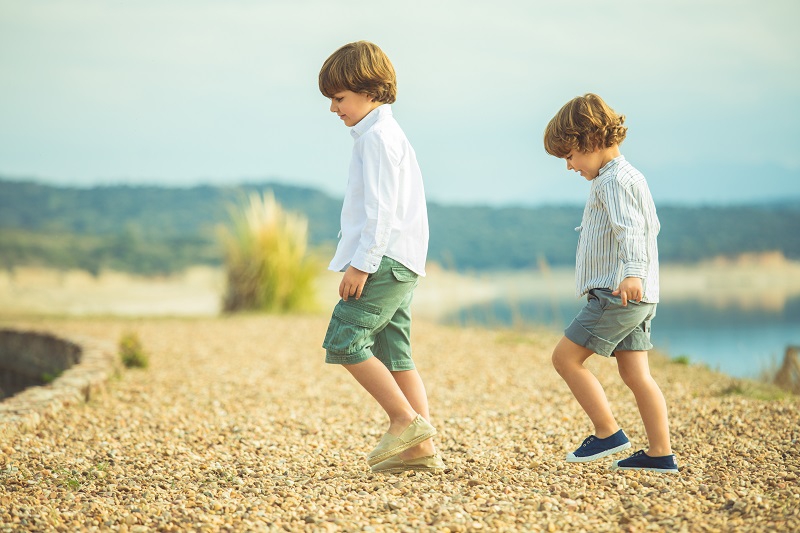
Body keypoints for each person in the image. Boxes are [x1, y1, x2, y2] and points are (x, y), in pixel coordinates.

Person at [318, 41, 444, 474]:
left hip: (384, 261)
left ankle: (404, 421)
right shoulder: (384, 135)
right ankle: (421, 452)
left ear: (369, 90)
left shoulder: (377, 138)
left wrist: (361, 263)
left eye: (339, 98)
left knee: (344, 339)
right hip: (402, 260)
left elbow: (381, 210)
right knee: (396, 356)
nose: (334, 109)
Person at [542, 93, 678, 473]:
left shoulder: (613, 181)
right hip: (639, 294)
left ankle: (607, 432)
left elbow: (632, 230)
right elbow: (648, 227)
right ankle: (660, 453)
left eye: (569, 155)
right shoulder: (627, 176)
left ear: (590, 141)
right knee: (636, 374)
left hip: (618, 293)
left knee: (565, 359)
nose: (568, 165)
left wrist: (632, 271)